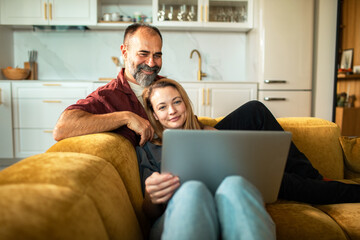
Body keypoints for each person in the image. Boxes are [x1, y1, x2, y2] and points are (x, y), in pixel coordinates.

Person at [54, 23, 360, 204]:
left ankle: (314, 177)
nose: (152, 61)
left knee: (254, 111)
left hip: (196, 146)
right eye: (143, 54)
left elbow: (179, 120)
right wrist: (126, 117)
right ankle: (325, 188)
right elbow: (63, 127)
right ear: (124, 53)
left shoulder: (159, 84)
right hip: (171, 166)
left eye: (157, 54)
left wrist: (205, 131)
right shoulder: (108, 96)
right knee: (274, 180)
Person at [137, 78, 276, 240]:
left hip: (223, 209)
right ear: (155, 114)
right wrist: (151, 195)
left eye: (177, 102)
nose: (172, 111)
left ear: (186, 104)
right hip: (175, 216)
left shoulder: (213, 135)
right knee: (192, 190)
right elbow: (149, 213)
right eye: (162, 107)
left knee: (235, 185)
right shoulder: (147, 149)